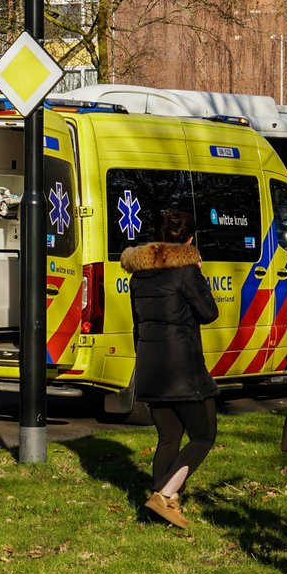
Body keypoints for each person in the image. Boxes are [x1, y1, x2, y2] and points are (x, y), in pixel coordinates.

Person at [119, 209, 220, 529]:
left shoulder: (139, 276)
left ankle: (160, 508)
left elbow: (138, 324)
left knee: (169, 436)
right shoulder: (187, 272)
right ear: (189, 240)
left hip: (150, 365)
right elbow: (209, 313)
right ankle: (164, 495)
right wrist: (200, 276)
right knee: (203, 435)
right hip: (183, 368)